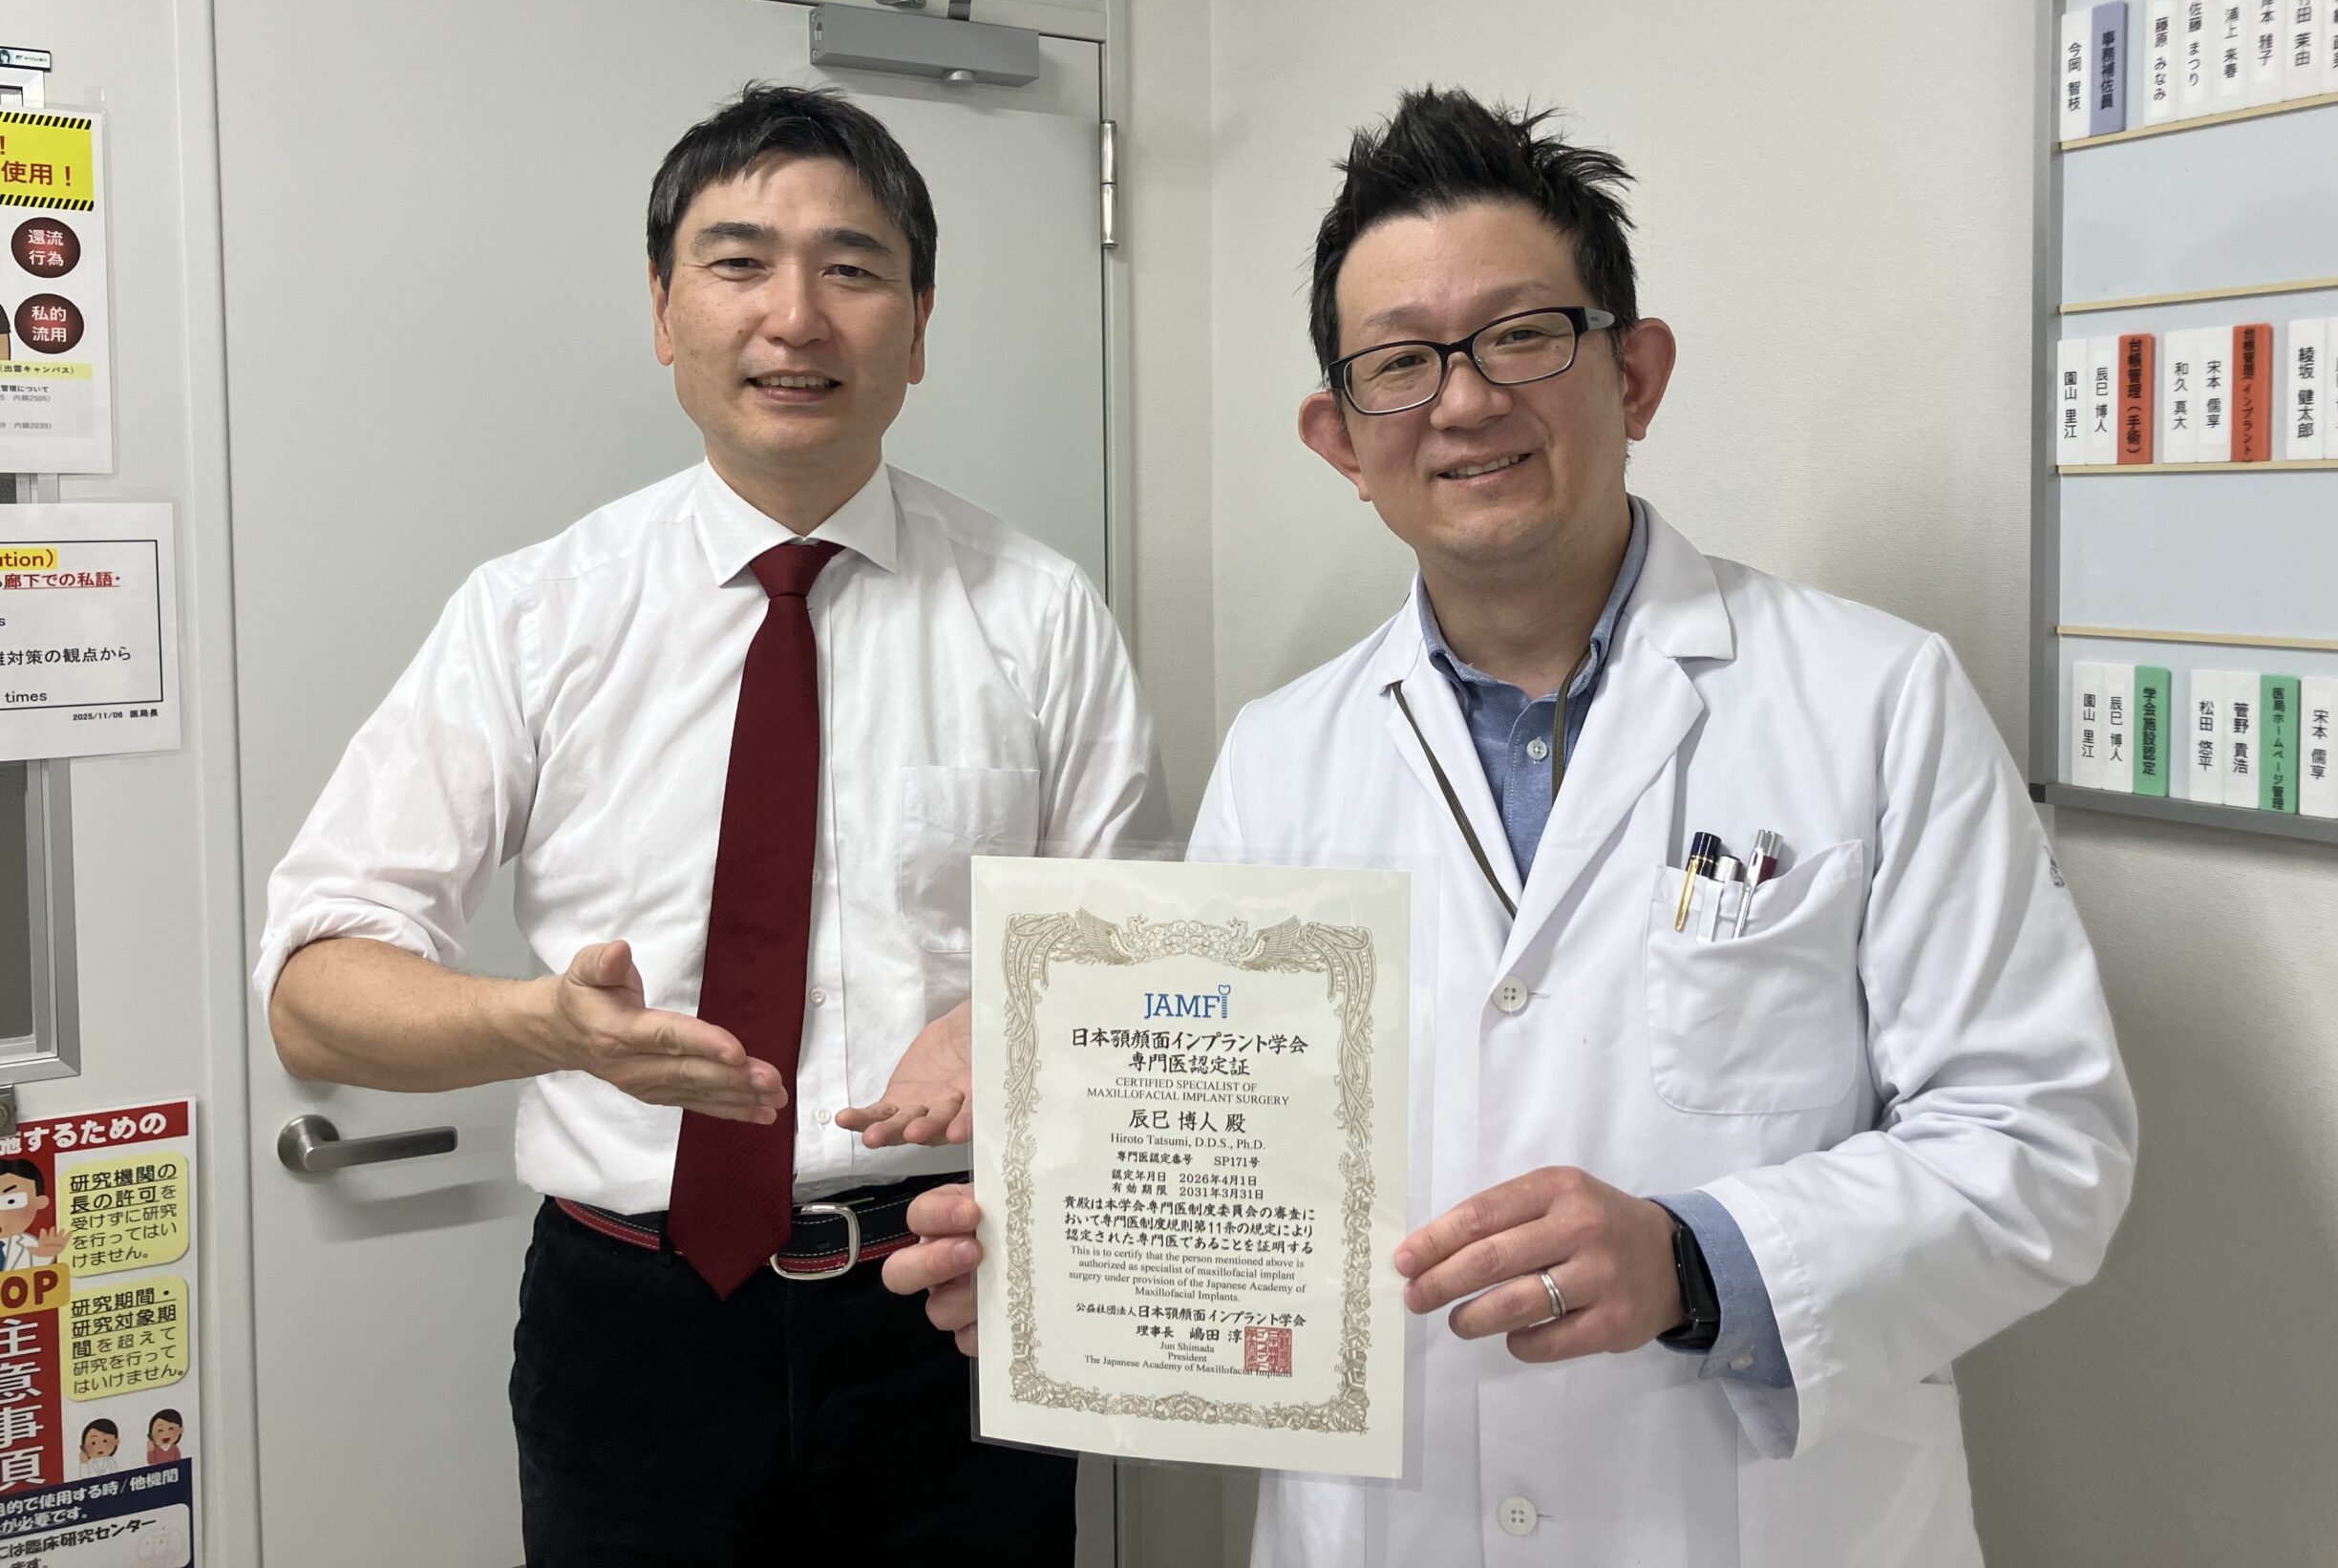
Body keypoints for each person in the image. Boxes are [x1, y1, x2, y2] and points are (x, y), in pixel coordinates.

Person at [880, 88, 2137, 1564]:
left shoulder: (1878, 700)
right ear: (1340, 438)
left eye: (1524, 336)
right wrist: (1073, 1264)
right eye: (1400, 364)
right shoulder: (1282, 758)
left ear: (1636, 374)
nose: (1466, 401)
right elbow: (1234, 1151)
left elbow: (2042, 1143)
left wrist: (1696, 1261)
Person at [257, 84, 1167, 1566]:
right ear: (663, 311)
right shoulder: (534, 615)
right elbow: (314, 991)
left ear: (919, 327)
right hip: (631, 1336)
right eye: (739, 262)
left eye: (853, 269)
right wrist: (547, 1028)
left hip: (955, 1298)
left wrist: (1018, 1020)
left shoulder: (1039, 613)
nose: (794, 317)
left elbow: (1147, 965)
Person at [0, 1158, 65, 1273]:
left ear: (40, 1202)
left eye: (11, 1201)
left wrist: (45, 1255)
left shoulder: (29, 1243)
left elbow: (37, 1270)